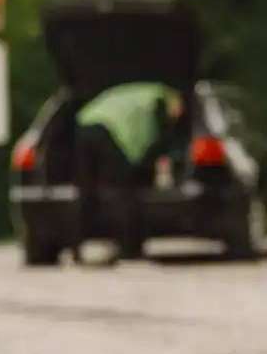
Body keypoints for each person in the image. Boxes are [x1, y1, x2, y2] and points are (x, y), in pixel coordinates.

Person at [74, 82, 185, 259]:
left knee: (87, 189)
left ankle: (77, 247)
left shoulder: (138, 92)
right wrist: (139, 165)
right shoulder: (157, 100)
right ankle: (129, 248)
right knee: (125, 192)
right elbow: (151, 138)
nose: (177, 116)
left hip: (85, 124)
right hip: (109, 131)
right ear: (175, 100)